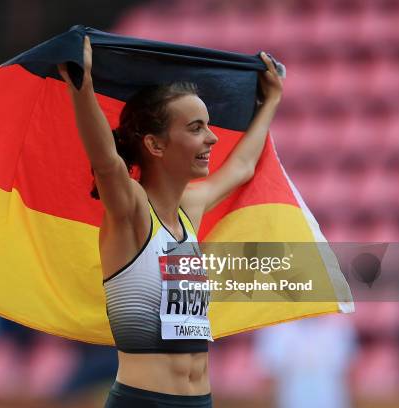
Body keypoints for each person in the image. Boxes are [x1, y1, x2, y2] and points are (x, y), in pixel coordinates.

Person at [57, 35, 283, 407]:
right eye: (196, 128)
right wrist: (83, 87)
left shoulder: (189, 208)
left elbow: (242, 167)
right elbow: (106, 163)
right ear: (155, 145)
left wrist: (272, 98)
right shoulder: (131, 212)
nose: (211, 138)